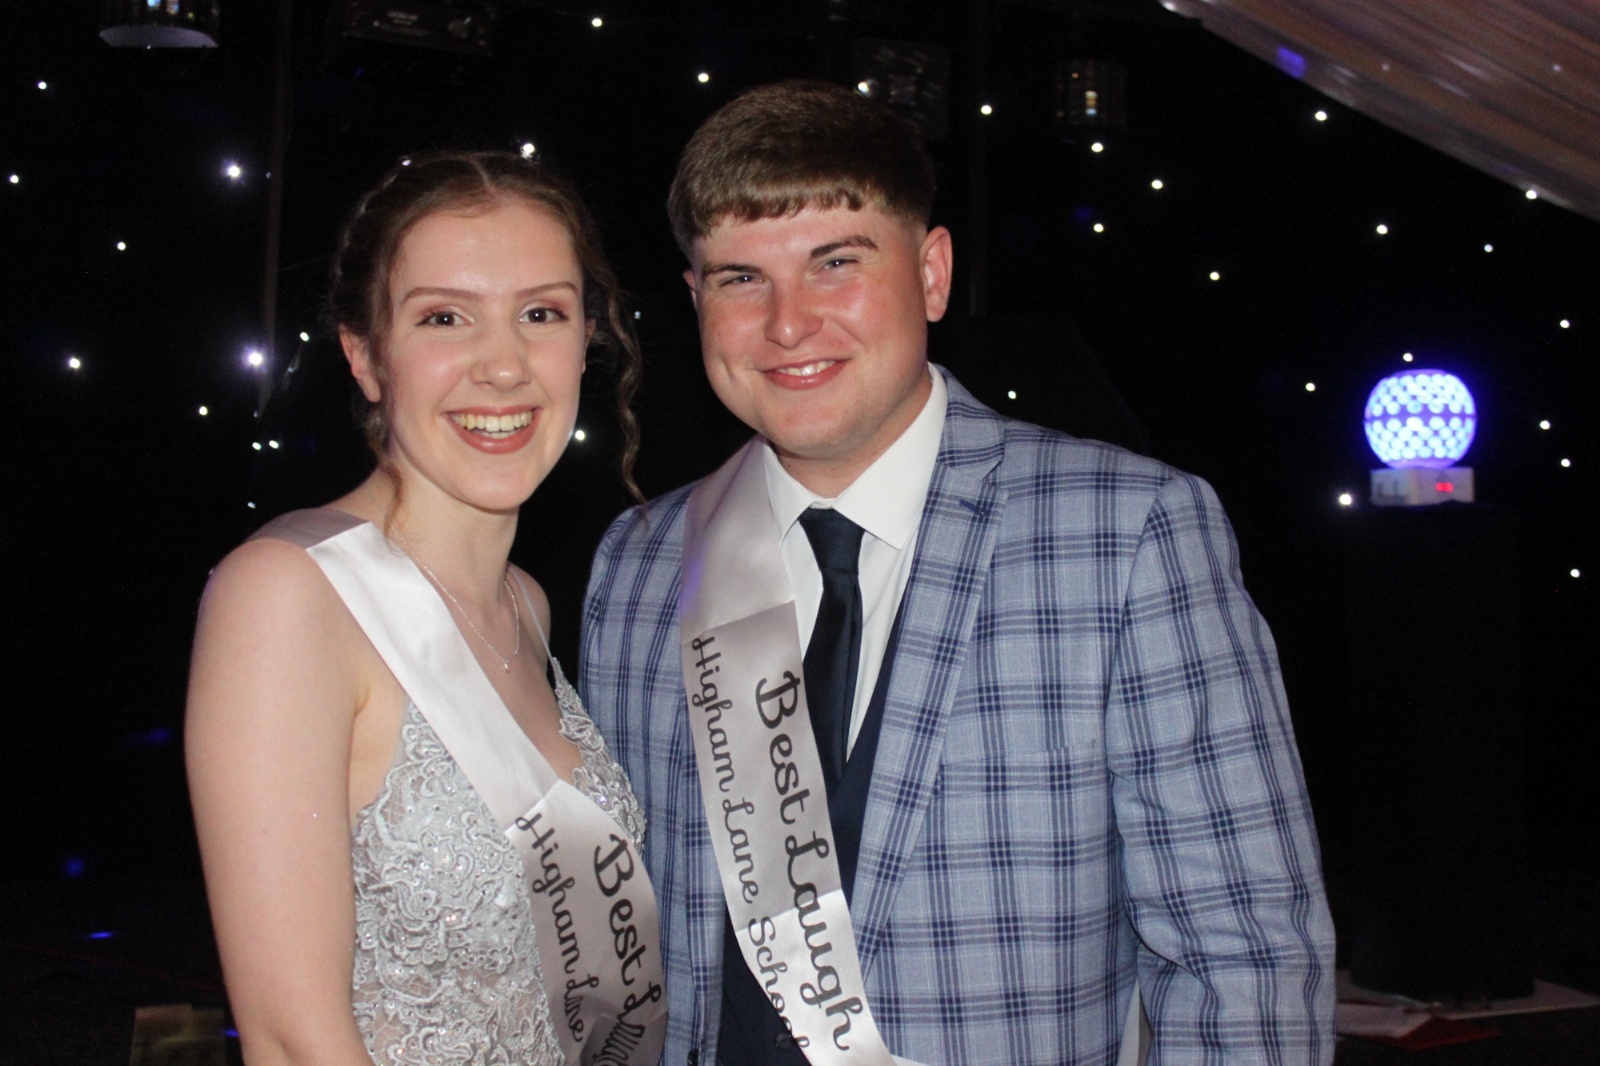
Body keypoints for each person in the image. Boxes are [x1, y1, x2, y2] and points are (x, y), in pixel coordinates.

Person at [580, 81, 1335, 1065]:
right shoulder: (640, 563)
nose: (788, 323)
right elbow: (620, 949)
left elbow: (1243, 962)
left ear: (932, 274)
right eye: (740, 278)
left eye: (835, 263)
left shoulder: (1125, 533)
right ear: (695, 301)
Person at [187, 151, 666, 1066]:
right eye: (445, 317)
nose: (504, 365)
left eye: (541, 313)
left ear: (585, 339)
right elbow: (291, 1040)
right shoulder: (288, 595)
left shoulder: (525, 605)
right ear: (366, 356)